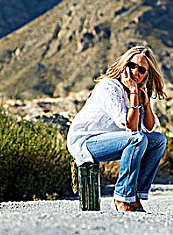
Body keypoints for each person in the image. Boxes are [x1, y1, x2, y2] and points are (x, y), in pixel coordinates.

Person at [67, 46, 167, 212]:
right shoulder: (109, 86)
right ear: (124, 65)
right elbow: (130, 127)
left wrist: (145, 101)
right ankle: (122, 197)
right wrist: (134, 93)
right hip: (86, 142)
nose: (135, 71)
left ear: (145, 75)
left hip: (113, 141)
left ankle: (134, 196)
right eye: (132, 65)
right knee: (137, 139)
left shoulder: (135, 91)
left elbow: (150, 128)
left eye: (141, 70)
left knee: (158, 140)